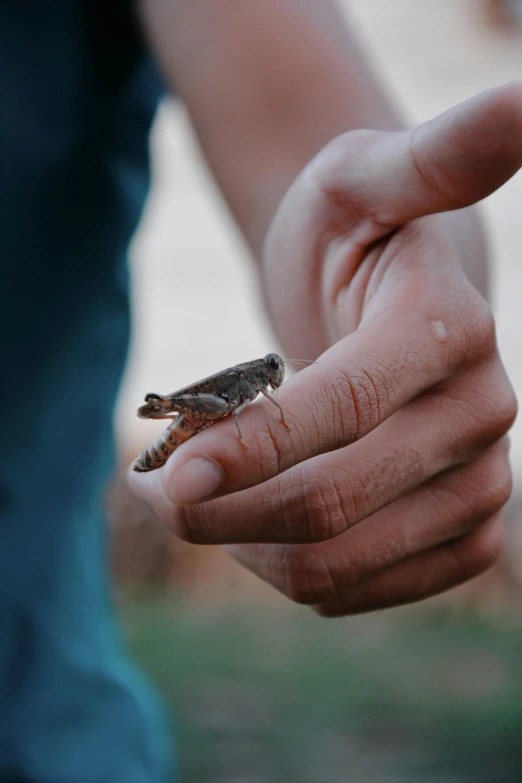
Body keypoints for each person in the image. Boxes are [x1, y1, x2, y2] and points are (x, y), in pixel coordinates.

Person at [2, 2, 520, 781]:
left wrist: (397, 294)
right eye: (270, 375)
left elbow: (316, 156)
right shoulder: (248, 386)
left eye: (272, 375)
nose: (269, 381)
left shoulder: (260, 378)